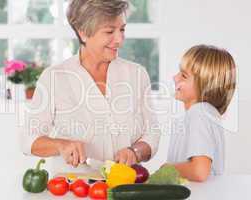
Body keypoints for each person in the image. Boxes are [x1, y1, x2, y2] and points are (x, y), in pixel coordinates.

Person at [20, 0, 160, 174]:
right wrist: (61, 145)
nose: (119, 39)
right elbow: (28, 139)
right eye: (109, 31)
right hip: (74, 187)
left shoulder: (137, 74)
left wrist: (135, 152)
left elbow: (152, 133)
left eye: (122, 29)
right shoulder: (54, 77)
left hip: (124, 185)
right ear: (83, 33)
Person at [165, 45, 236, 182]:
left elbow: (199, 171)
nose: (175, 78)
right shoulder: (200, 114)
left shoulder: (200, 113)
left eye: (184, 76)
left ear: (206, 86)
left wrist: (166, 168)